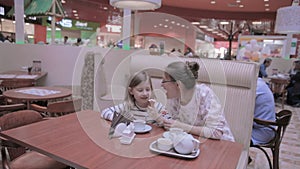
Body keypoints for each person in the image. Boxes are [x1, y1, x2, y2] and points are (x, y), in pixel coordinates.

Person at [160, 61, 234, 141]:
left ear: (178, 84)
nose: (161, 85)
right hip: (191, 143)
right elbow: (171, 120)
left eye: (164, 81)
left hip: (222, 146)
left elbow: (216, 132)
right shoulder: (174, 98)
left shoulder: (204, 95)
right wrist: (158, 117)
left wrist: (182, 127)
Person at [101, 71, 170, 124]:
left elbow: (169, 122)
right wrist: (118, 119)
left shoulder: (158, 107)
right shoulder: (127, 106)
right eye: (140, 90)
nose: (145, 93)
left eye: (148, 89)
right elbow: (105, 112)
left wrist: (157, 117)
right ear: (131, 91)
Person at [252, 77, 276, 145]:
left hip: (261, 133)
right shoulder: (259, 83)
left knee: (228, 134)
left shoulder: (254, 86)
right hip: (267, 128)